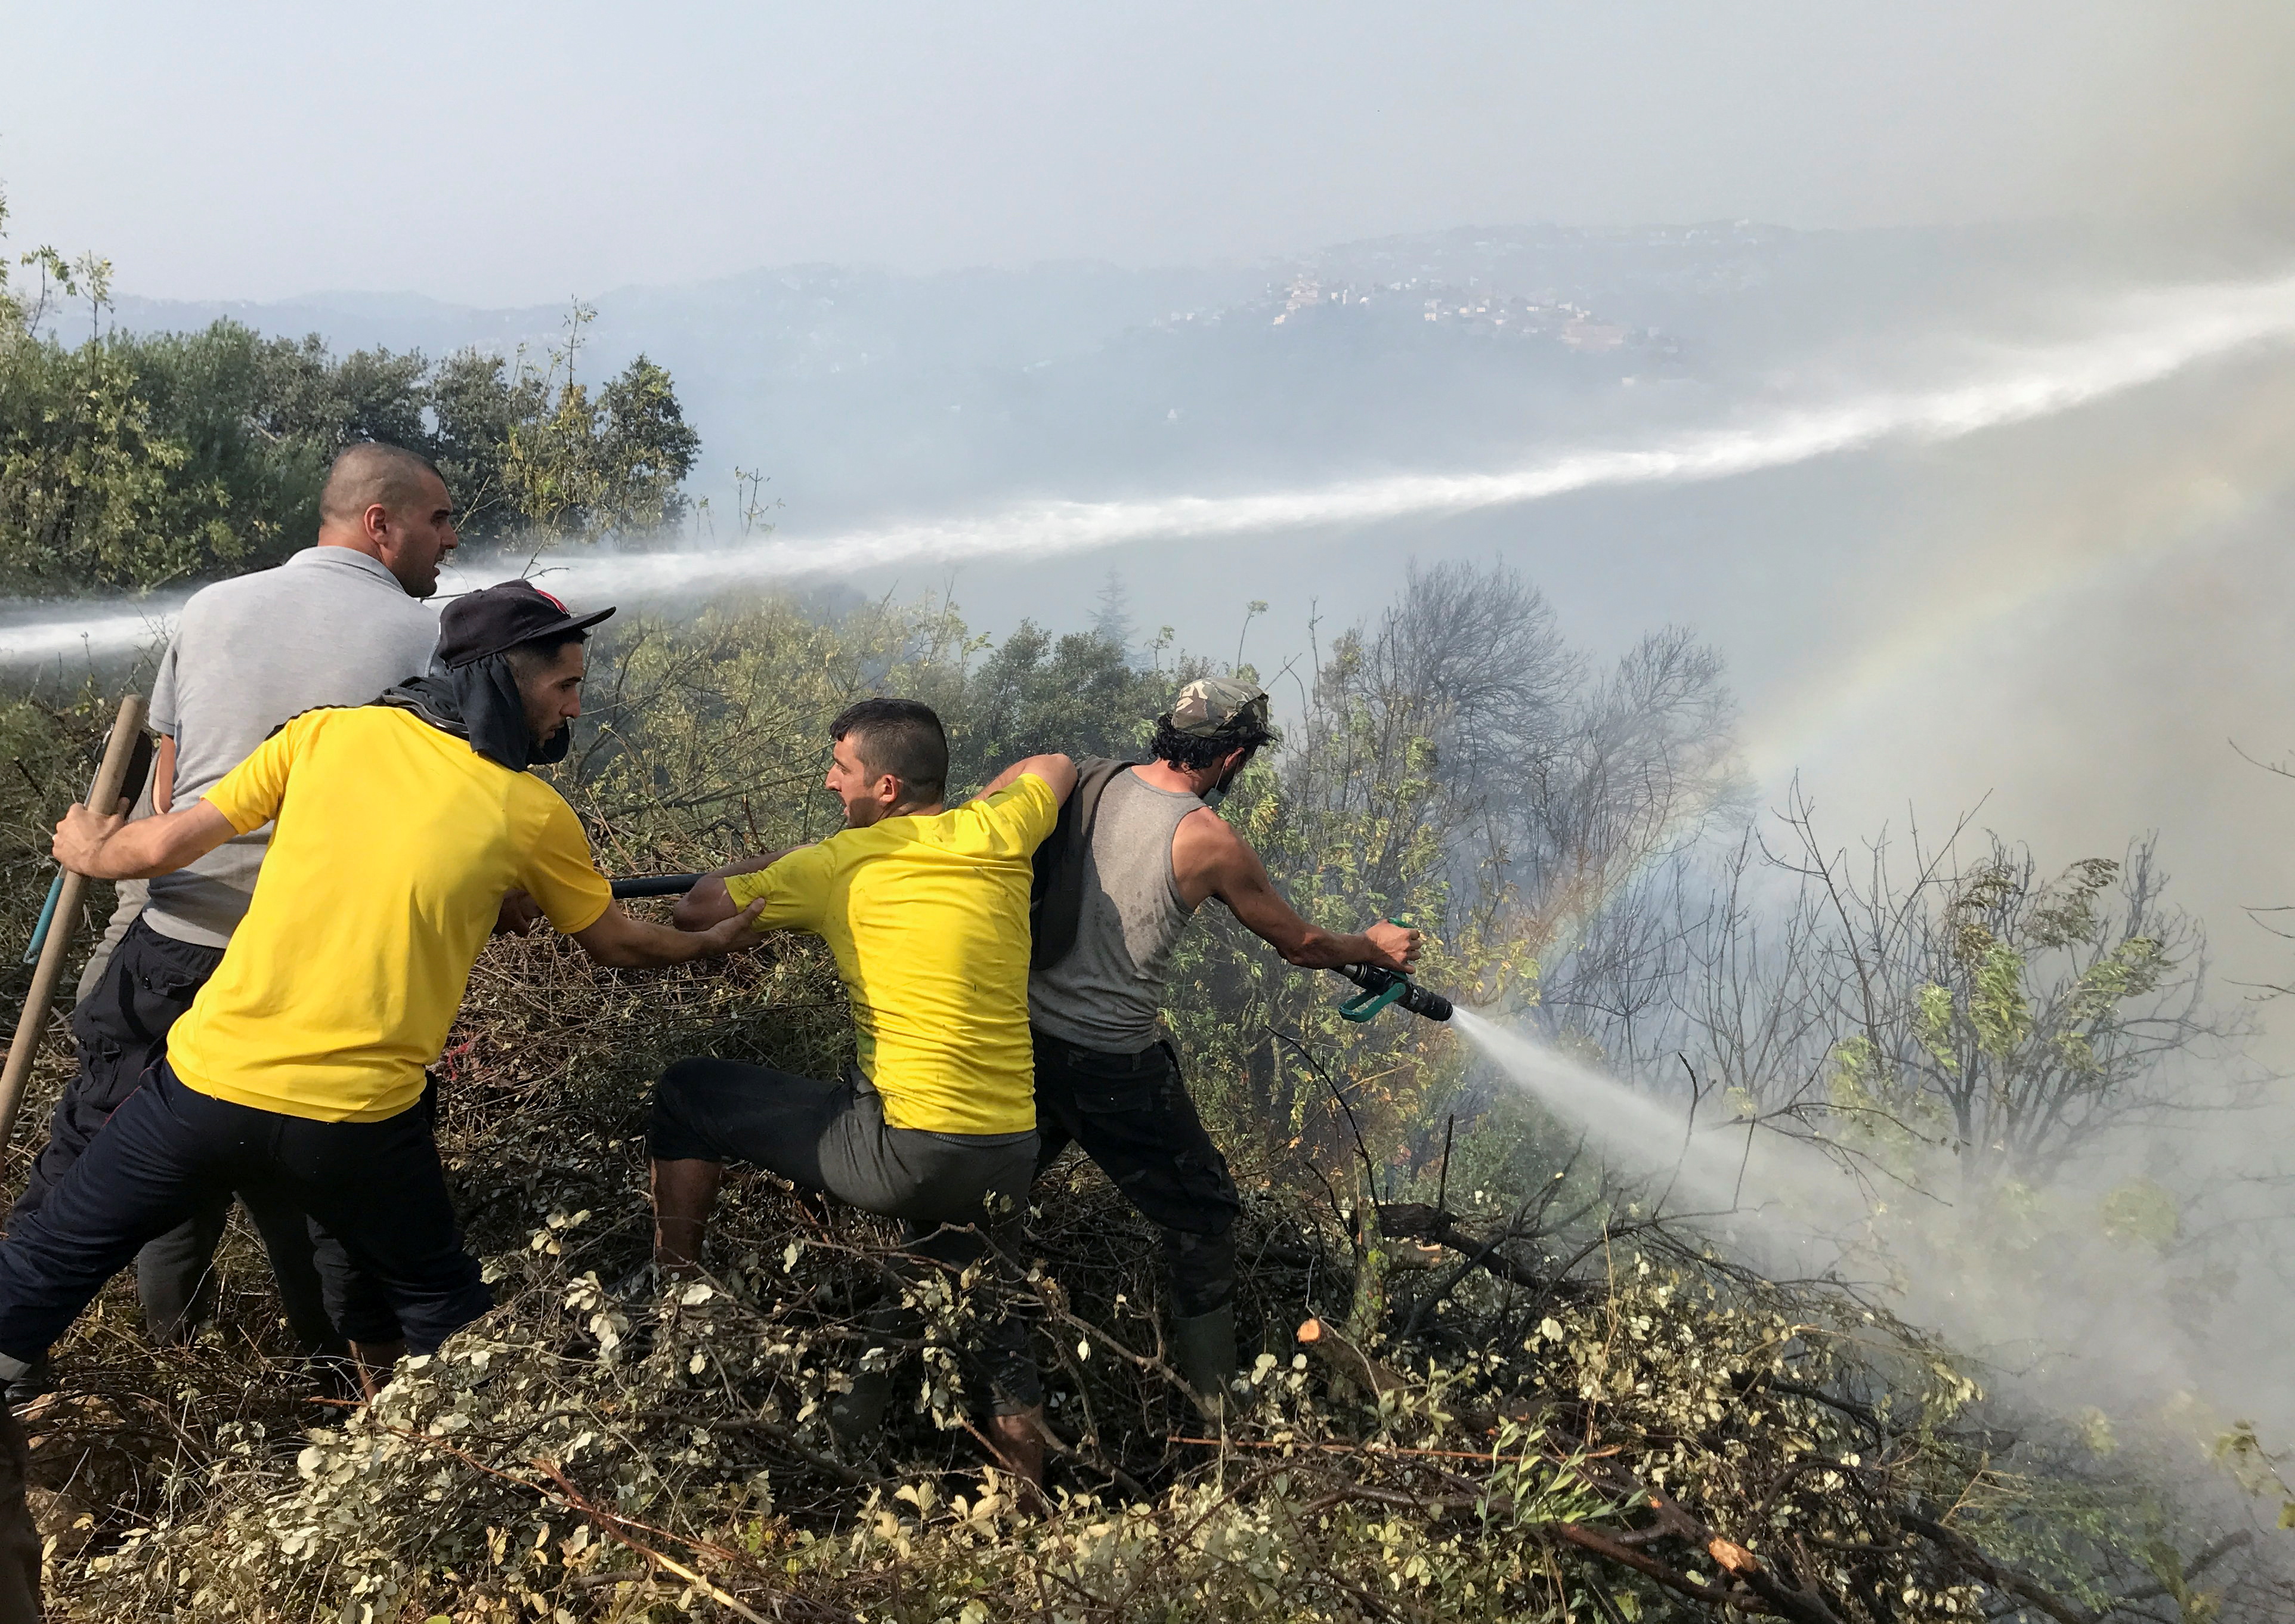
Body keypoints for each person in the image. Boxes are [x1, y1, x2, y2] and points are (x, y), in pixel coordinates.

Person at [0, 580, 766, 1399]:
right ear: (502, 678)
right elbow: (616, 942)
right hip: (358, 1122)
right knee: (441, 1307)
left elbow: (164, 844)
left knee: (43, 1260)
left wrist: (89, 847)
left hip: (205, 1089)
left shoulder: (323, 734)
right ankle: (441, 1438)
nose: (575, 707)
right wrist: (709, 942)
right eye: (565, 685)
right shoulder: (530, 812)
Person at [7, 441, 457, 1385]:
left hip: (176, 945)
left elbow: (169, 789)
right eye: (439, 519)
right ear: (381, 522)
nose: (450, 540)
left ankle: (145, 1365)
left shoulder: (213, 607)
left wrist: (104, 852)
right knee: (332, 1198)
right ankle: (341, 1393)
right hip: (322, 974)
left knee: (112, 1168)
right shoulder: (429, 644)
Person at [656, 700, 1076, 1485]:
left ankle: (669, 1300)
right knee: (996, 1328)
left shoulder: (837, 864)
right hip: (1007, 1148)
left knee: (686, 1091)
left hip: (903, 1152)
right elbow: (1056, 764)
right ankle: (1028, 1513)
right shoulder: (999, 831)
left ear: (885, 788)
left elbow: (695, 910)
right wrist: (972, 806)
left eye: (840, 768)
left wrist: (806, 851)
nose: (829, 779)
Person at [1027, 676, 1419, 1413]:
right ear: (1233, 756)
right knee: (1204, 1214)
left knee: (991, 1193)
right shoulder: (1206, 836)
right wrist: (1371, 944)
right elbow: (1300, 944)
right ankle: (1217, 1416)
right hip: (1113, 1067)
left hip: (1024, 1042)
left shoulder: (1083, 781)